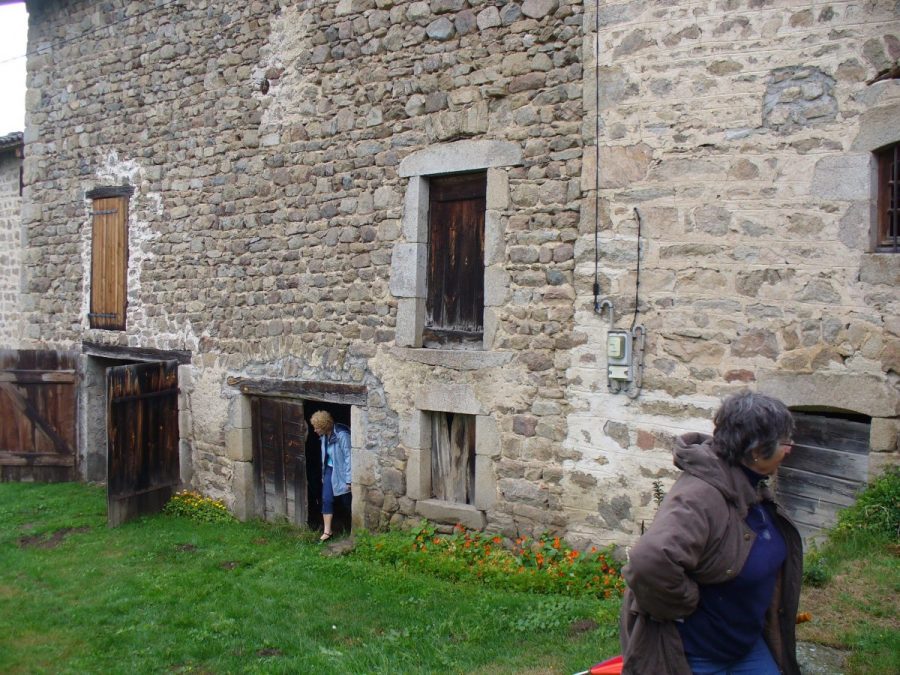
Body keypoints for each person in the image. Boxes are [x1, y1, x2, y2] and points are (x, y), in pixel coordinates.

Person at [619, 391, 803, 675]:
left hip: (744, 645)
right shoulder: (700, 495)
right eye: (784, 442)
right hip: (698, 654)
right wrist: (686, 603)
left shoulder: (749, 483)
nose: (790, 449)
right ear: (755, 451)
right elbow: (649, 561)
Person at [310, 410, 351, 542]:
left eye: (317, 428)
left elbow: (349, 457)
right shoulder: (324, 437)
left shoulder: (342, 435)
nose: (315, 431)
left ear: (324, 426)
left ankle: (350, 526)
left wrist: (349, 479)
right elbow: (325, 457)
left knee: (346, 501)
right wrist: (323, 474)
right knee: (326, 499)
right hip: (330, 470)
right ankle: (328, 531)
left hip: (342, 472)